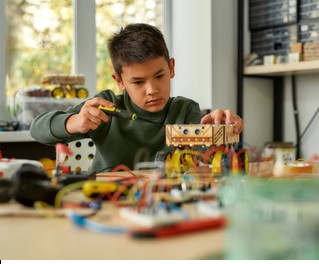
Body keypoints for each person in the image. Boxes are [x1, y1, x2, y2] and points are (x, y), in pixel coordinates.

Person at [30, 23, 244, 172]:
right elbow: (37, 129)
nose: (152, 90)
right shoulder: (106, 107)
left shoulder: (185, 110)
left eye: (159, 76)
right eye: (138, 82)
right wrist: (75, 122)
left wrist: (220, 130)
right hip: (110, 201)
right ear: (120, 81)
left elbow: (208, 154)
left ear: (171, 67)